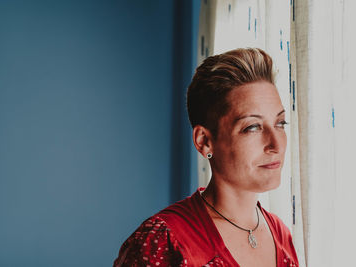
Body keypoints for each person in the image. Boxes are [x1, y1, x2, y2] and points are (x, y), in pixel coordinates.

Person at [114, 48, 299, 266]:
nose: (276, 145)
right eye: (252, 127)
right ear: (204, 141)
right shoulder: (163, 242)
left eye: (280, 124)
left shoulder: (281, 236)